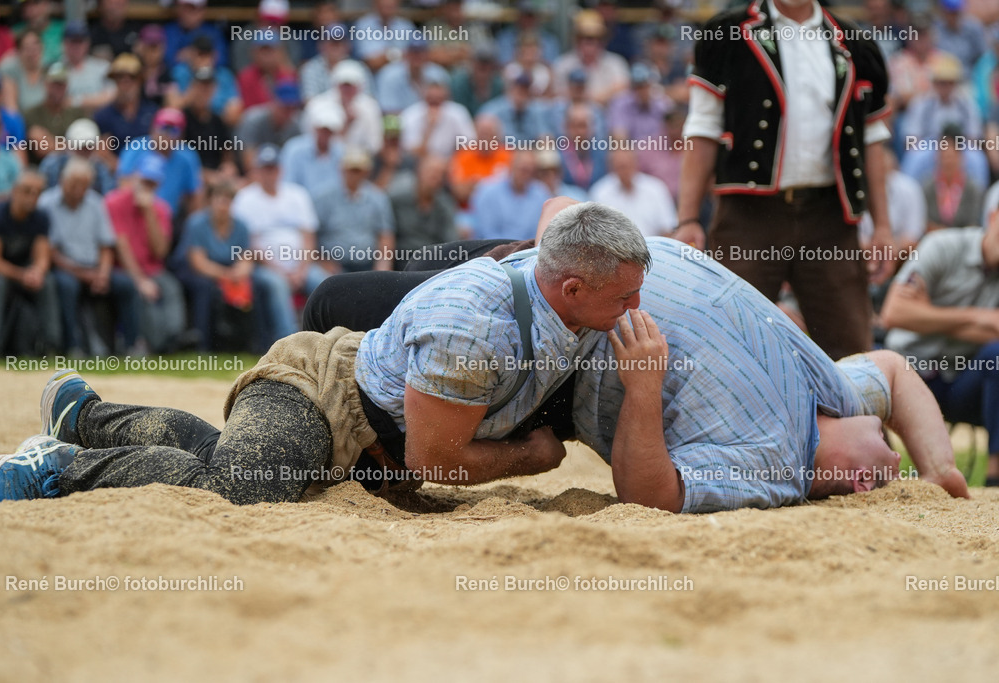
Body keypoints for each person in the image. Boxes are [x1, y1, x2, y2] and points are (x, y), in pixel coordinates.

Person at [299, 204, 971, 513]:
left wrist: (643, 386)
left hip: (560, 352)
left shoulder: (774, 467)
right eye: (893, 456)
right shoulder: (834, 391)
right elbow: (894, 368)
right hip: (553, 272)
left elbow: (649, 495)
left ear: (850, 486)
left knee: (342, 312)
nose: (889, 468)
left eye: (883, 478)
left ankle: (319, 434)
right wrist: (942, 472)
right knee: (336, 302)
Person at [0, 200, 651, 505]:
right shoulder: (475, 329)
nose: (635, 311)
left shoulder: (569, 291)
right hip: (319, 390)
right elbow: (432, 459)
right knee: (243, 486)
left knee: (225, 453)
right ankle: (61, 467)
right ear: (569, 285)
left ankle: (86, 415)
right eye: (624, 298)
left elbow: (567, 210)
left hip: (362, 406)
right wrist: (528, 457)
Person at [674, 0, 895, 361]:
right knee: (728, 346)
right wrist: (686, 219)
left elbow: (871, 139)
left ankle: (852, 419)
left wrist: (883, 226)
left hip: (831, 218)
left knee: (852, 352)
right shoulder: (725, 33)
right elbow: (702, 129)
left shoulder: (857, 43)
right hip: (748, 216)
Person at [881, 212, 999, 486]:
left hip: (960, 381)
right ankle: (875, 474)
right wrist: (979, 318)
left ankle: (995, 481)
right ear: (993, 217)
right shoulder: (941, 244)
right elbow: (894, 312)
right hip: (908, 373)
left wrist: (927, 315)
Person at [231, 144, 326, 346]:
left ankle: (327, 341)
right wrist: (281, 271)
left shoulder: (297, 195)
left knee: (324, 283)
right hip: (264, 266)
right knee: (277, 285)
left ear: (280, 169)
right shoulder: (245, 199)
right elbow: (250, 244)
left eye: (273, 168)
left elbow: (308, 237)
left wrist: (301, 270)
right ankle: (289, 344)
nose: (269, 173)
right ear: (256, 171)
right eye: (265, 168)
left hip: (301, 266)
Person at [39, 157, 135, 356]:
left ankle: (132, 345)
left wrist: (103, 273)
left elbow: (106, 246)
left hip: (94, 268)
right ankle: (73, 346)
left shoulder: (96, 202)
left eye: (83, 186)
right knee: (67, 286)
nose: (78, 190)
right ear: (62, 181)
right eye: (73, 184)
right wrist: (83, 274)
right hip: (63, 267)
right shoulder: (46, 203)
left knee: (126, 285)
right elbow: (49, 251)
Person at [106, 152, 185, 354]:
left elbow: (160, 252)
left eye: (152, 182)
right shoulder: (114, 202)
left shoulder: (161, 209)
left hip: (153, 269)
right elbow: (121, 247)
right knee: (141, 293)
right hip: (123, 269)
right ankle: (154, 344)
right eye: (144, 180)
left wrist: (149, 212)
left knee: (171, 288)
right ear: (134, 177)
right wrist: (140, 280)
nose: (147, 186)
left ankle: (174, 339)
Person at [0, 170, 60, 357]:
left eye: (37, 192)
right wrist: (24, 275)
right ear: (14, 191)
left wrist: (37, 272)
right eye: (27, 191)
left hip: (22, 270)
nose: (32, 197)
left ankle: (51, 344)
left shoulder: (41, 217)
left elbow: (42, 256)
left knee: (47, 281)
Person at [175, 179, 253, 351]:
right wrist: (227, 275)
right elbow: (198, 263)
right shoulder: (196, 223)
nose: (222, 204)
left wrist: (240, 273)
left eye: (228, 199)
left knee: (257, 284)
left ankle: (252, 343)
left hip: (226, 270)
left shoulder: (241, 225)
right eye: (219, 198)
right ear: (211, 200)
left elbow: (246, 258)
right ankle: (204, 344)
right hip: (191, 270)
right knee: (206, 288)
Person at [313, 148, 395, 272]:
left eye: (358, 171)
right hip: (334, 264)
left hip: (367, 264)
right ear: (341, 170)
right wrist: (322, 261)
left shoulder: (378, 198)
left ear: (367, 172)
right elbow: (313, 233)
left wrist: (383, 265)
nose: (353, 175)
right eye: (350, 170)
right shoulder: (323, 198)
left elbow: (385, 234)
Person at [116, 108, 203, 221]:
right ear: (153, 128)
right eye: (163, 128)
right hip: (135, 215)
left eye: (173, 130)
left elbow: (195, 194)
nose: (166, 135)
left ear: (181, 135)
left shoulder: (187, 157)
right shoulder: (135, 147)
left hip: (169, 219)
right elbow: (123, 185)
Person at [589, 148, 677, 238]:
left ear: (636, 164)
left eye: (628, 165)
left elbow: (668, 228)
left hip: (654, 248)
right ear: (611, 168)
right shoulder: (600, 193)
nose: (625, 171)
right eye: (620, 167)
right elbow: (597, 233)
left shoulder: (655, 188)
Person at [389, 155, 456, 270]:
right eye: (431, 172)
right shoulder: (397, 199)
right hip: (401, 262)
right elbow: (386, 233)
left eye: (441, 174)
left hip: (432, 264)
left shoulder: (445, 205)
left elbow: (451, 241)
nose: (436, 177)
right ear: (418, 172)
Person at [552, 9, 629, 107]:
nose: (588, 43)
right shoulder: (563, 63)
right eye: (583, 38)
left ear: (602, 41)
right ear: (576, 40)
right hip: (572, 116)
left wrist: (590, 99)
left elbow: (622, 88)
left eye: (593, 38)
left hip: (607, 115)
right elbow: (557, 93)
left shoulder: (615, 62)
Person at [469, 150, 549, 241]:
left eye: (530, 171)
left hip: (529, 251)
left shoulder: (541, 195)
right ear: (511, 166)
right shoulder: (487, 191)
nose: (526, 175)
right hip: (491, 250)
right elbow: (485, 232)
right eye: (523, 169)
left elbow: (540, 234)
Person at [399, 65, 474, 161]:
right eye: (431, 100)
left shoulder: (458, 113)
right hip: (419, 164)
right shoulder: (410, 115)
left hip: (451, 163)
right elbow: (410, 154)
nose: (434, 105)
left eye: (438, 100)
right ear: (423, 94)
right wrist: (429, 129)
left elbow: (470, 146)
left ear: (446, 94)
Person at [310, 60, 383, 155]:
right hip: (327, 158)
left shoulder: (371, 107)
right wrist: (346, 125)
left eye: (351, 85)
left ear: (360, 86)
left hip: (360, 161)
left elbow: (374, 145)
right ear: (335, 84)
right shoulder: (318, 105)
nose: (347, 90)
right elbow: (314, 143)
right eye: (344, 85)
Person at [92, 53, 157, 160]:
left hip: (149, 170)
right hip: (116, 172)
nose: (126, 83)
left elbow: (160, 147)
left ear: (140, 81)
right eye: (120, 78)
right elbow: (103, 153)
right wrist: (124, 172)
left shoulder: (152, 112)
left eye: (132, 78)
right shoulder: (104, 116)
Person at [280, 100, 344, 204]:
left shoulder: (341, 152)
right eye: (323, 129)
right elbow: (288, 186)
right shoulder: (294, 150)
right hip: (300, 208)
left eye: (330, 130)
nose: (326, 134)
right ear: (315, 128)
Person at [236, 79, 302, 170]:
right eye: (286, 107)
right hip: (252, 175)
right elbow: (249, 163)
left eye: (293, 108)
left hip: (282, 176)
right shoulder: (253, 120)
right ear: (274, 102)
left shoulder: (295, 127)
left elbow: (297, 163)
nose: (289, 113)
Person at [298, 22, 373, 101]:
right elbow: (309, 101)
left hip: (354, 111)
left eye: (340, 42)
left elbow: (368, 99)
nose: (336, 47)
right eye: (332, 42)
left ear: (348, 45)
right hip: (322, 111)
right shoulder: (310, 69)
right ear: (321, 44)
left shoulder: (359, 68)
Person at [59, 21, 114, 112]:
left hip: (98, 120)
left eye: (80, 41)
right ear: (65, 43)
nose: (77, 46)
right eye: (73, 41)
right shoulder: (56, 68)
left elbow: (112, 96)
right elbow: (58, 102)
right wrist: (95, 100)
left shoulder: (102, 67)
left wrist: (75, 101)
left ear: (87, 43)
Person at [352, 0, 417, 73]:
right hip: (374, 74)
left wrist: (387, 56)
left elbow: (417, 56)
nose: (387, 9)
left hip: (405, 74)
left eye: (390, 6)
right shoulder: (363, 25)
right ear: (375, 5)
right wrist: (398, 55)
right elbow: (372, 63)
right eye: (384, 5)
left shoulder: (406, 25)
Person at [164, 0, 227, 69]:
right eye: (188, 8)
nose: (193, 14)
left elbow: (222, 60)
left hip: (208, 73)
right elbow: (164, 60)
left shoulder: (214, 32)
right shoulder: (169, 32)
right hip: (177, 76)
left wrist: (198, 57)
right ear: (179, 8)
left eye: (197, 9)